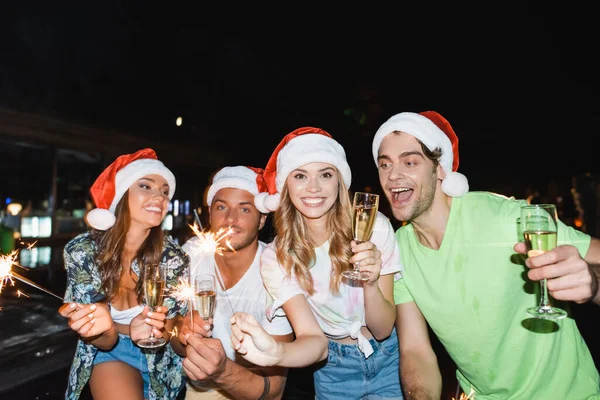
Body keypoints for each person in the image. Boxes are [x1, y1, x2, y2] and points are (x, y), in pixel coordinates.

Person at [371, 110, 600, 399]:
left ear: (439, 168)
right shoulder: (398, 249)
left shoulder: (507, 217)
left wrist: (593, 284)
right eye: (385, 164)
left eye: (410, 161)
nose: (393, 175)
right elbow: (416, 351)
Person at [230, 127, 403, 400]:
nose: (314, 187)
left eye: (325, 174)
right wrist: (276, 352)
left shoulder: (374, 228)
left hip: (388, 359)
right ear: (287, 185)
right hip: (332, 370)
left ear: (339, 182)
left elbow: (383, 330)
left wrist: (370, 283)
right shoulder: (277, 257)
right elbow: (314, 341)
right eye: (300, 176)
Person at [58, 148, 189, 400]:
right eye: (146, 186)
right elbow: (105, 340)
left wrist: (168, 330)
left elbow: (170, 329)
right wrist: (106, 328)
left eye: (164, 191)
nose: (159, 197)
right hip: (110, 352)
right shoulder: (83, 252)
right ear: (121, 195)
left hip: (161, 362)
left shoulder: (174, 257)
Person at [177, 165, 295, 399]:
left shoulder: (278, 271)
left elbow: (274, 389)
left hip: (252, 388)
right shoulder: (191, 255)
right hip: (201, 389)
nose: (230, 219)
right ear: (209, 213)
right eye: (222, 207)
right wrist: (182, 335)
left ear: (262, 219)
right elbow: (173, 336)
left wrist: (222, 371)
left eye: (244, 209)